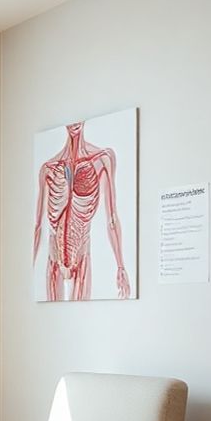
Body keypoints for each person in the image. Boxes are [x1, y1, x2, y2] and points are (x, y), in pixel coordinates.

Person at [34, 121, 131, 301]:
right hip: (54, 253)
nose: (74, 125)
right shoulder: (48, 168)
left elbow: (112, 217)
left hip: (82, 252)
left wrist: (120, 266)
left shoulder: (103, 158)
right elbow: (37, 225)